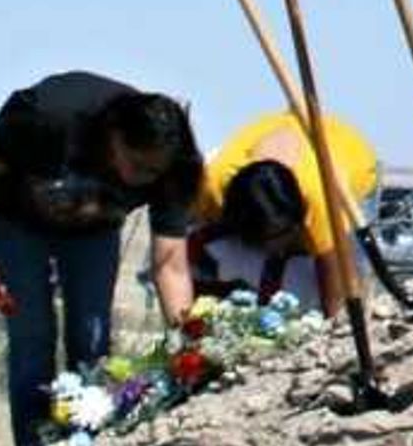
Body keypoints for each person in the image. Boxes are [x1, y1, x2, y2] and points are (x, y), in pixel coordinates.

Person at [0, 74, 204, 446]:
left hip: (94, 233)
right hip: (18, 222)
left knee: (91, 342)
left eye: (153, 171)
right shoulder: (46, 121)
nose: (143, 178)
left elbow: (171, 263)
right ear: (113, 136)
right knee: (32, 336)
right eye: (135, 164)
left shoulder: (176, 169)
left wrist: (188, 340)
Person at [149, 106, 372, 328]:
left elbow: (339, 297)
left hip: (350, 162)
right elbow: (176, 258)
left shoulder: (322, 204)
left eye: (280, 236)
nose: (275, 249)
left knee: (323, 290)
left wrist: (333, 334)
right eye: (263, 241)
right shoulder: (211, 188)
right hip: (279, 134)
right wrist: (190, 327)